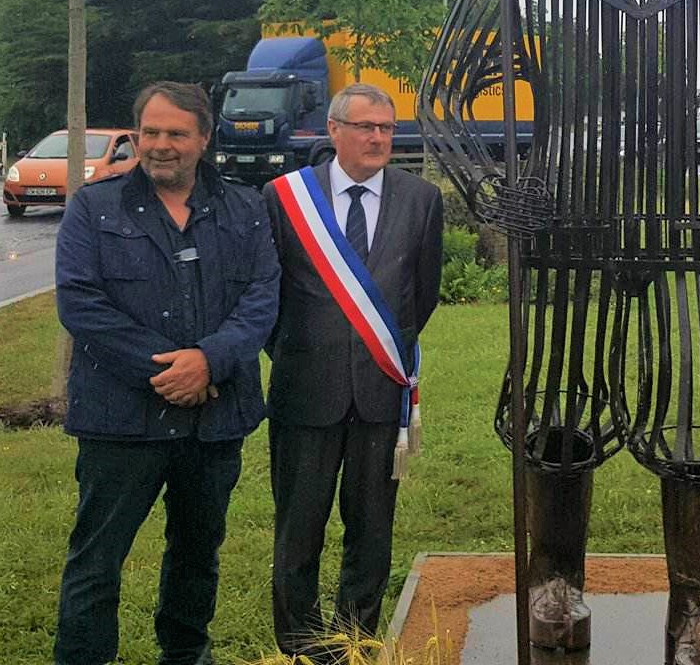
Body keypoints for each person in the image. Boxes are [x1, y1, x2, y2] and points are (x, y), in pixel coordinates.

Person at [54, 82, 280, 665]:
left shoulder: (245, 209)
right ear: (135, 136)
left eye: (176, 133)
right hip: (119, 420)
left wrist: (210, 360)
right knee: (97, 559)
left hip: (214, 421)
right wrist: (170, 369)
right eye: (150, 132)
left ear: (204, 139)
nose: (161, 145)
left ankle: (186, 654)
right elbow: (81, 303)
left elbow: (261, 299)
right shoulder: (91, 206)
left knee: (196, 554)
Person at [264, 83, 444, 656]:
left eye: (387, 129)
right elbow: (265, 295)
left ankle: (355, 640)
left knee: (371, 531)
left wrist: (380, 352)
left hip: (378, 392)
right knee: (299, 530)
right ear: (334, 131)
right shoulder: (285, 197)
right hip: (304, 392)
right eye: (365, 126)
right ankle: (298, 644)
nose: (377, 138)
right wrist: (300, 350)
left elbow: (424, 294)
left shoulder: (421, 198)